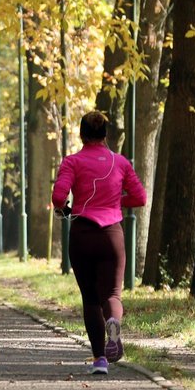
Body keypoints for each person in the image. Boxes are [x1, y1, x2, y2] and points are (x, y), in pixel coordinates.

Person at [51, 111, 147, 375]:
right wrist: (116, 202)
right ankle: (113, 321)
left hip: (82, 233)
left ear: (81, 134)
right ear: (106, 135)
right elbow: (140, 198)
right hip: (111, 235)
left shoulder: (72, 162)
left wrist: (66, 207)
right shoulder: (121, 162)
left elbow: (59, 196)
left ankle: (99, 360)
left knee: (91, 299)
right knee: (112, 294)